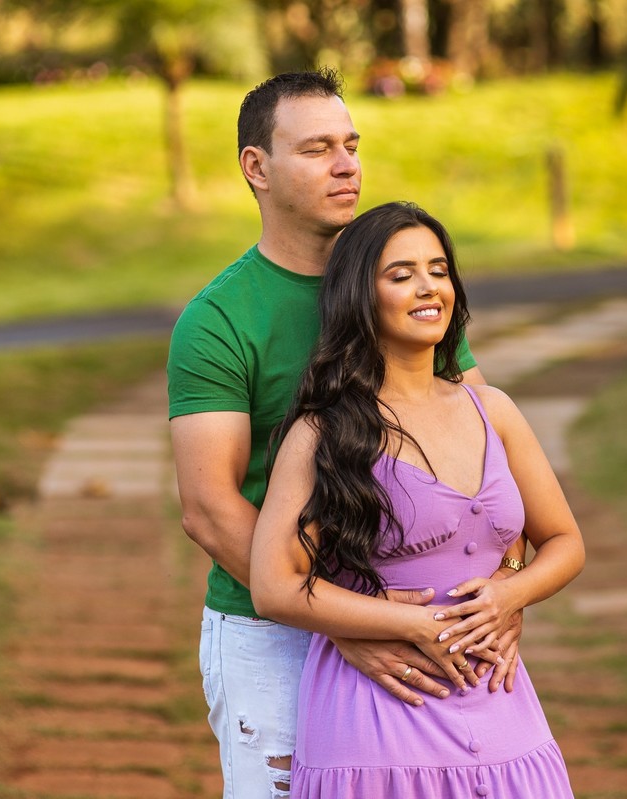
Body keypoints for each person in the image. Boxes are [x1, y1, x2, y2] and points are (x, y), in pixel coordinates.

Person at [167, 70, 525, 798]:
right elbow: (208, 507)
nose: (346, 166)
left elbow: (485, 454)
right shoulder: (220, 320)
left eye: (352, 146)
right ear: (256, 167)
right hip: (273, 634)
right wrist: (346, 620)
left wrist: (505, 588)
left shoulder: (401, 291)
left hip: (423, 624)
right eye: (317, 149)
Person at [250, 201, 585, 797]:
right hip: (379, 716)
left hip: (502, 707)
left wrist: (511, 593)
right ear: (360, 297)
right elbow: (275, 586)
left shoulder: (493, 411)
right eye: (401, 275)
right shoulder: (323, 433)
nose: (429, 287)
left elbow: (564, 541)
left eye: (438, 270)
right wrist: (412, 623)